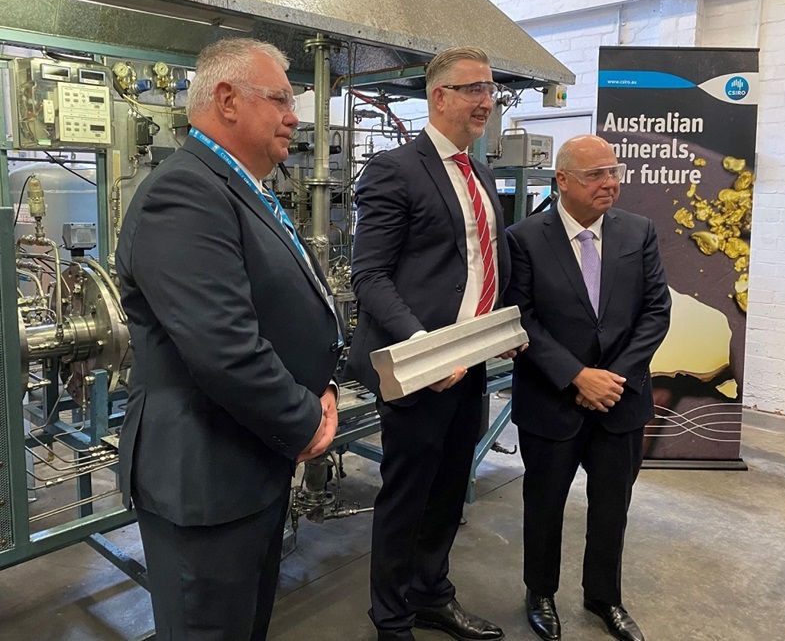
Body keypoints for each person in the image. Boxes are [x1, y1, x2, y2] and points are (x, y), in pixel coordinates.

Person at [115, 37, 343, 641]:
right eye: (281, 100)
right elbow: (224, 348)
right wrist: (305, 419)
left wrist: (323, 388)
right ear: (227, 100)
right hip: (205, 475)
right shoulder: (185, 192)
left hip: (247, 459)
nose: (295, 116)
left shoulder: (241, 187)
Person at [347, 46, 519, 641]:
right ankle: (391, 618)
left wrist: (502, 328)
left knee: (449, 489)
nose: (486, 101)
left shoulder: (481, 170)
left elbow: (477, 261)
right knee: (408, 493)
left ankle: (430, 595)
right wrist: (425, 349)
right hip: (422, 363)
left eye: (490, 89)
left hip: (468, 358)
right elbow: (368, 275)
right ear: (438, 96)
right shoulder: (396, 168)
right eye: (474, 88)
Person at [505, 135, 671, 641]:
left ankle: (604, 598)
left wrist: (609, 380)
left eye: (614, 172)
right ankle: (541, 592)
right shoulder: (524, 238)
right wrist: (577, 376)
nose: (610, 184)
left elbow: (655, 312)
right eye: (596, 174)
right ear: (562, 180)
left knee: (610, 507)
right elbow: (521, 318)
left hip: (620, 402)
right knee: (545, 502)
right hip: (551, 400)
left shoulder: (638, 232)